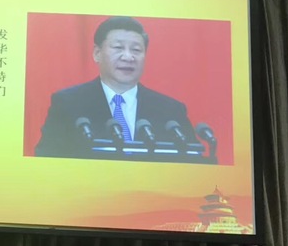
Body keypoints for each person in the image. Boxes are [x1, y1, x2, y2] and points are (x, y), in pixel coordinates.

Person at [34, 16, 196, 159]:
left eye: (136, 50)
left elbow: (191, 162)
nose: (128, 57)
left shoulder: (170, 111)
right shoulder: (68, 104)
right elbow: (47, 158)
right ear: (97, 53)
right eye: (118, 48)